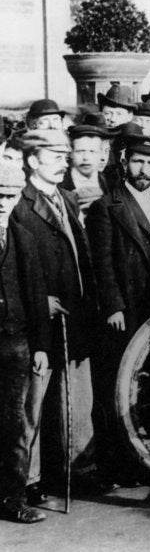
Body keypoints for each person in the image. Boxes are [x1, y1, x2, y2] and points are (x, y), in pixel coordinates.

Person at [87, 135, 150, 487]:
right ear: (125, 162)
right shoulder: (106, 207)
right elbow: (101, 263)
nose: (145, 170)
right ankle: (116, 467)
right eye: (138, 162)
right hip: (127, 311)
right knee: (118, 386)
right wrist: (113, 306)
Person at [11, 130, 97, 496]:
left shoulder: (65, 197)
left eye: (66, 155)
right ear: (32, 160)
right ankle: (26, 481)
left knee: (73, 397)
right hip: (38, 318)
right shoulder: (18, 201)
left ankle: (75, 473)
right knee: (32, 403)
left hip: (73, 312)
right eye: (56, 155)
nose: (65, 162)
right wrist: (38, 299)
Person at [0, 160, 49, 523]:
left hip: (15, 344)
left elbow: (36, 295)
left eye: (9, 195)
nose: (2, 202)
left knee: (15, 425)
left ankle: (12, 499)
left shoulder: (24, 238)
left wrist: (42, 346)